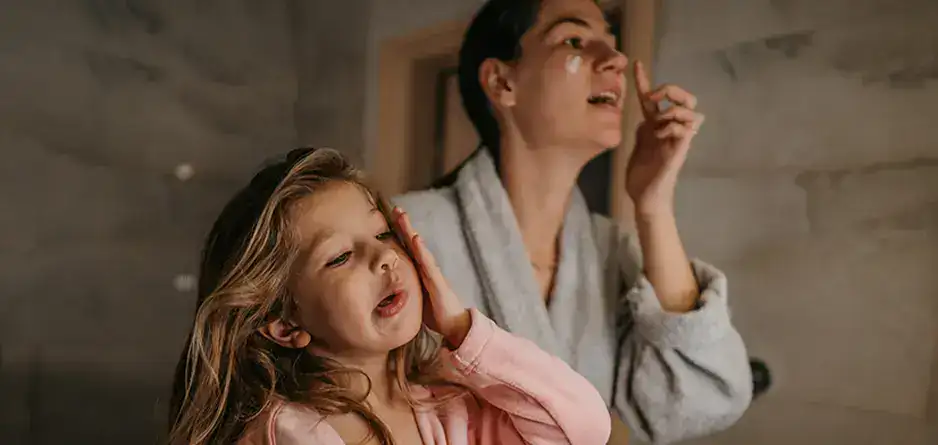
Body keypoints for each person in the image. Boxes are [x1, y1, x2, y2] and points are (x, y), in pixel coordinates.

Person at [393, 0, 752, 442]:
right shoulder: (406, 235)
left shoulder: (609, 252)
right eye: (575, 40)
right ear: (502, 82)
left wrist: (653, 205)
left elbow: (698, 404)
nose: (618, 60)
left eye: (615, 45)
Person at [167, 148, 612, 445]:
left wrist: (461, 330)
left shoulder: (453, 409)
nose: (382, 255)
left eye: (383, 232)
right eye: (340, 257)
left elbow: (582, 429)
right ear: (286, 324)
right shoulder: (285, 434)